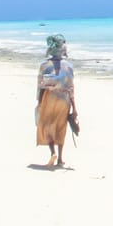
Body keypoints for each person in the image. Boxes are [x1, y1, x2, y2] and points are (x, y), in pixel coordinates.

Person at [36, 33, 77, 167]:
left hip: (48, 98)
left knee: (48, 127)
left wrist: (39, 102)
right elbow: (71, 88)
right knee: (61, 127)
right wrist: (75, 108)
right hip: (63, 100)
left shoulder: (44, 65)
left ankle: (52, 153)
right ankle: (60, 158)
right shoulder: (68, 66)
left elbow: (40, 86)